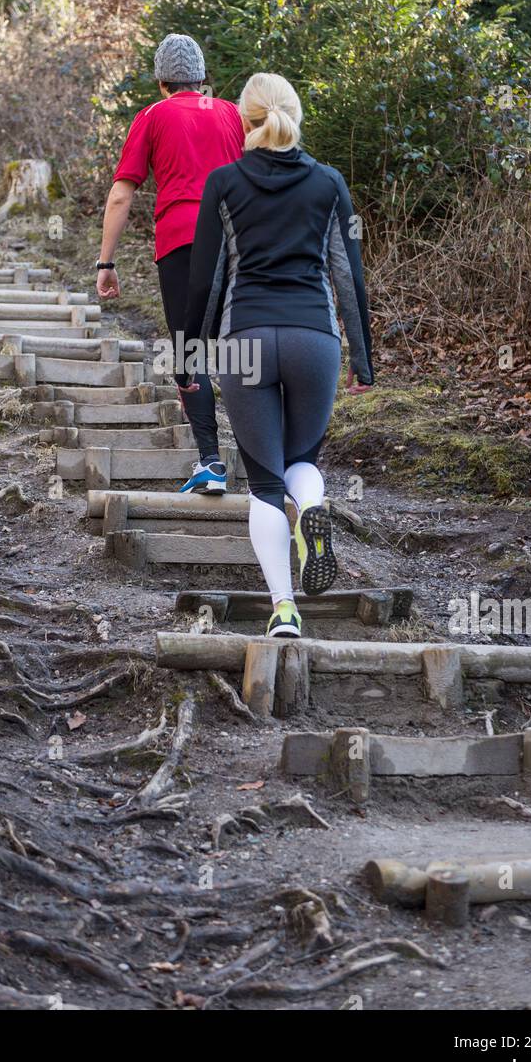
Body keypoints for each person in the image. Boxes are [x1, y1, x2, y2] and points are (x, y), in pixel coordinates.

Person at [181, 72, 373, 638]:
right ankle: (312, 506)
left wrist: (189, 355)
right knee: (302, 463)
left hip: (247, 342)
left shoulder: (222, 183)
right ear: (295, 115)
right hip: (315, 339)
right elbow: (347, 274)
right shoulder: (331, 183)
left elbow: (204, 281)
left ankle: (283, 610)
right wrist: (362, 361)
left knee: (264, 482)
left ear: (245, 120)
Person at [96, 33, 244, 494]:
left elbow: (122, 193)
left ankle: (210, 463)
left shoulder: (153, 116)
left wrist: (106, 262)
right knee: (242, 346)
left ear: (162, 82)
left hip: (182, 241)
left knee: (189, 347)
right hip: (238, 242)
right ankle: (266, 464)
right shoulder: (233, 114)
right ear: (202, 79)